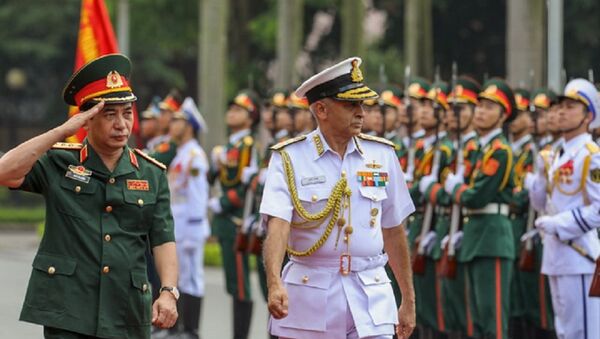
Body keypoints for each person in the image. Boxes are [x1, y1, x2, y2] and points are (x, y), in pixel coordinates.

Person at [0, 53, 178, 338]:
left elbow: (163, 238)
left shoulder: (151, 172)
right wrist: (60, 131)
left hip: (127, 309)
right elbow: (4, 171)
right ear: (87, 119)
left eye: (127, 113)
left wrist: (169, 291)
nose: (121, 124)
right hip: (69, 309)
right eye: (110, 115)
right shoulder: (58, 162)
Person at [260, 57, 416, 339]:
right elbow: (278, 225)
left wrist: (408, 299)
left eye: (361, 105)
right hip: (311, 292)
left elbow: (393, 230)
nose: (360, 113)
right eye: (350, 105)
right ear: (321, 109)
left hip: (372, 293)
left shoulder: (382, 155)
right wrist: (273, 283)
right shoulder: (289, 158)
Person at [444, 78, 517, 339]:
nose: (481, 111)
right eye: (480, 106)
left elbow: (477, 197)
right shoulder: (480, 149)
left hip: (492, 238)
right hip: (476, 234)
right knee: (477, 319)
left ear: (503, 115)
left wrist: (454, 188)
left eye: (489, 107)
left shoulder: (500, 151)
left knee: (493, 319)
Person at [527, 78, 600, 339]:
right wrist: (538, 181)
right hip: (556, 254)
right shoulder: (557, 153)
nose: (560, 112)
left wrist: (560, 224)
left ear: (588, 115)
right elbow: (543, 205)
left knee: (583, 331)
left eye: (570, 107)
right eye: (558, 107)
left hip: (578, 255)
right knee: (565, 331)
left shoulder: (591, 154)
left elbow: (599, 210)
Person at [208, 91, 259, 339]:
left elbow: (247, 186)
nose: (231, 113)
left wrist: (224, 201)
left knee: (240, 284)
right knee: (232, 282)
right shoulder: (229, 147)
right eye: (231, 109)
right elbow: (218, 177)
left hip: (237, 218)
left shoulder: (247, 146)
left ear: (250, 118)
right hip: (226, 221)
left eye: (238, 110)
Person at [166, 97, 210, 339]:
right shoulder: (181, 154)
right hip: (178, 224)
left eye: (178, 121)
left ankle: (191, 330)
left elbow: (197, 196)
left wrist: (194, 229)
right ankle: (180, 328)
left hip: (189, 226)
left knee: (192, 278)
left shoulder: (195, 156)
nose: (172, 125)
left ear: (189, 126)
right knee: (180, 277)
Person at [507, 88, 534, 338]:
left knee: (528, 301)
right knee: (511, 297)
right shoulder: (509, 149)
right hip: (509, 224)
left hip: (522, 224)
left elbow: (523, 195)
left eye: (521, 113)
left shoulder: (532, 152)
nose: (515, 119)